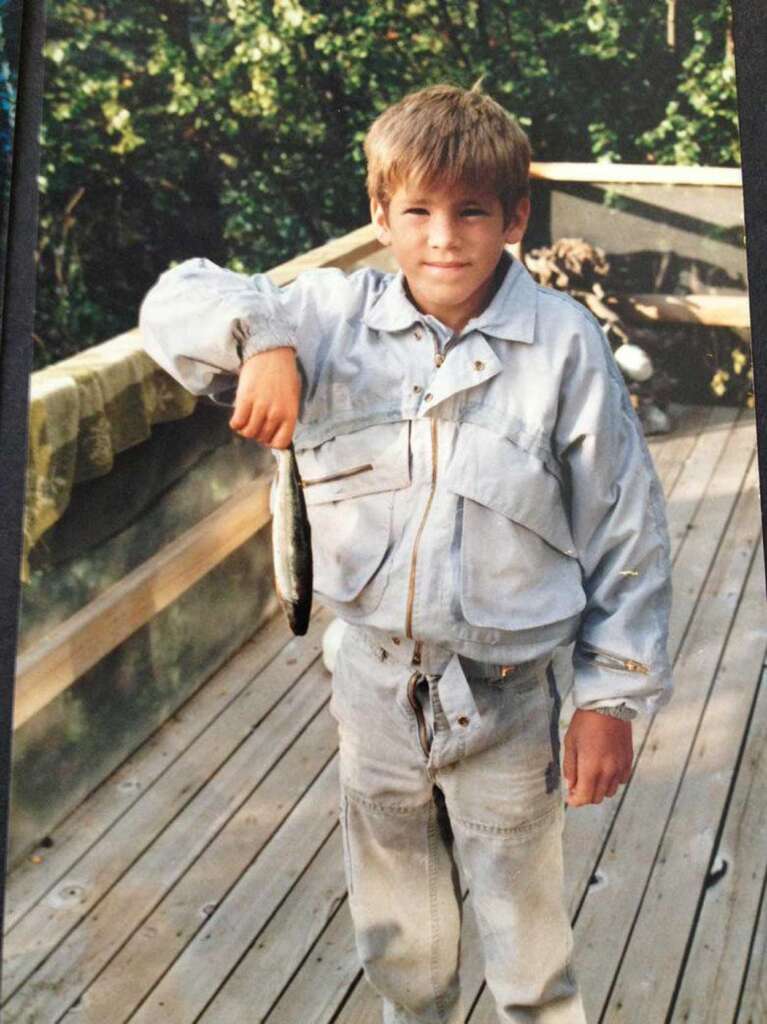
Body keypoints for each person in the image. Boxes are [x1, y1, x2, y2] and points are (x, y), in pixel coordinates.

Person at [139, 83, 673, 1024]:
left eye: (472, 211)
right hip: (371, 689)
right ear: (379, 216)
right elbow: (174, 297)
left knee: (527, 952)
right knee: (401, 948)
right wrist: (262, 340)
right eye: (417, 210)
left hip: (506, 697)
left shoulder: (564, 347)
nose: (443, 237)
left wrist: (612, 699)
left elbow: (624, 531)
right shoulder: (326, 317)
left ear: (513, 218)